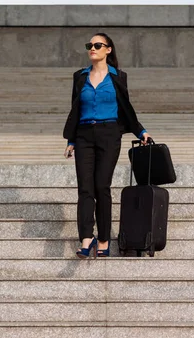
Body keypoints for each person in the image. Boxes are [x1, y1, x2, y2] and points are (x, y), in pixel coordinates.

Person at [63, 33, 152, 258]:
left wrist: (140, 130)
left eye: (97, 45)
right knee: (85, 188)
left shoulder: (118, 77)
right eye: (89, 45)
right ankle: (86, 237)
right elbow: (75, 109)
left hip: (109, 134)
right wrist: (71, 140)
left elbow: (126, 107)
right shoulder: (80, 77)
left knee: (102, 186)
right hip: (84, 135)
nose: (92, 48)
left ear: (108, 50)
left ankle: (103, 238)